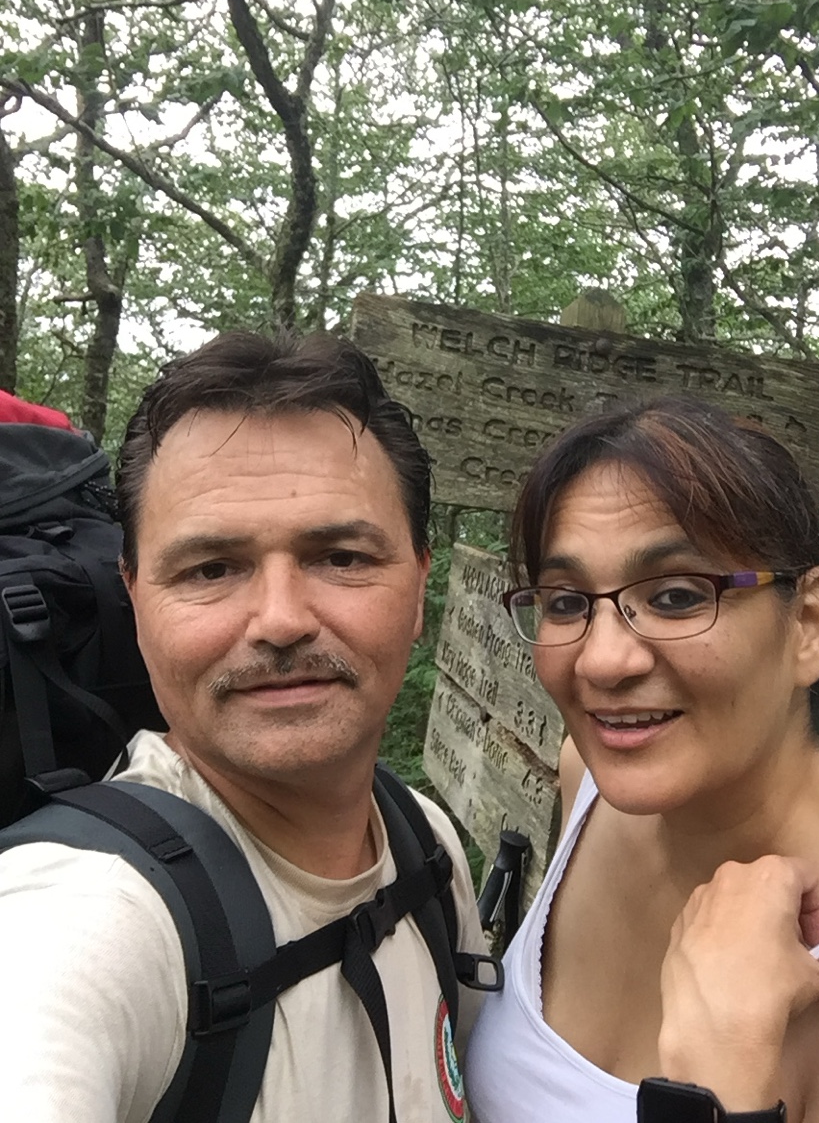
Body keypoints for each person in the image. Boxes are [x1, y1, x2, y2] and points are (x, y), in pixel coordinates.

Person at [0, 330, 486, 1122]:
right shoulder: (83, 924)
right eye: (211, 569)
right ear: (135, 599)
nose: (282, 621)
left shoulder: (421, 841)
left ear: (421, 584)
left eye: (341, 556)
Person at [465, 396, 819, 1122]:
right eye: (564, 602)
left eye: (676, 596)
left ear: (807, 623)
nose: (604, 660)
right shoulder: (591, 783)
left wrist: (725, 1073)